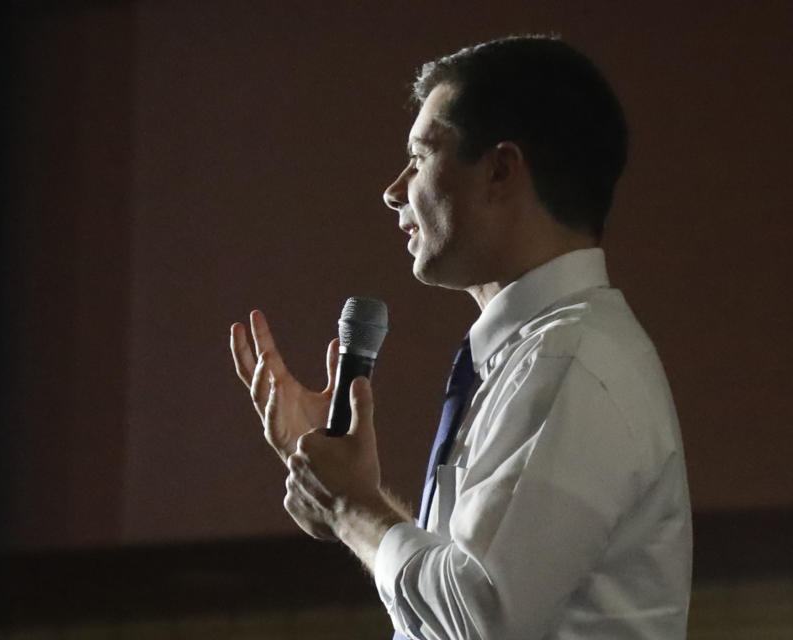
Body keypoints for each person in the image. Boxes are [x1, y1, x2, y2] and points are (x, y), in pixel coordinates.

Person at [229, 35, 691, 639]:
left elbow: (479, 619)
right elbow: (461, 596)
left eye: (420, 157)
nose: (395, 190)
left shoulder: (571, 359)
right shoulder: (533, 356)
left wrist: (352, 508)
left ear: (500, 170)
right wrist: (345, 492)